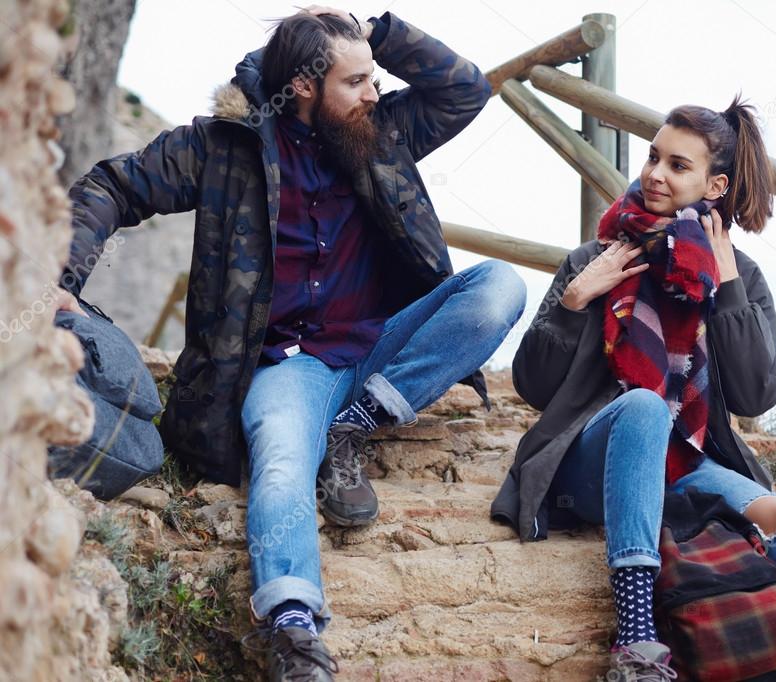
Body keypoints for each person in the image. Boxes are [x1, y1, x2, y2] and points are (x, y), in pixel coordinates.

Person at [59, 8, 525, 680]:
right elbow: (112, 184)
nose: (373, 91)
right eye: (356, 79)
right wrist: (61, 279)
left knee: (498, 288)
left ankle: (353, 427)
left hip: (381, 345)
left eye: (375, 77)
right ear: (304, 87)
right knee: (278, 462)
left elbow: (466, 91)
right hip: (291, 367)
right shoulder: (221, 148)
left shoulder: (381, 129)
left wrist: (375, 32)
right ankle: (294, 629)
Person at [491, 95, 776, 682]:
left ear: (714, 186)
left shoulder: (738, 275)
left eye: (677, 166)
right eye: (653, 157)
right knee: (641, 405)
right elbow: (535, 387)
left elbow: (756, 395)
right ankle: (637, 642)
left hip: (684, 466)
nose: (655, 174)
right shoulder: (596, 257)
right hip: (587, 467)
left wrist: (730, 288)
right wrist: (574, 300)